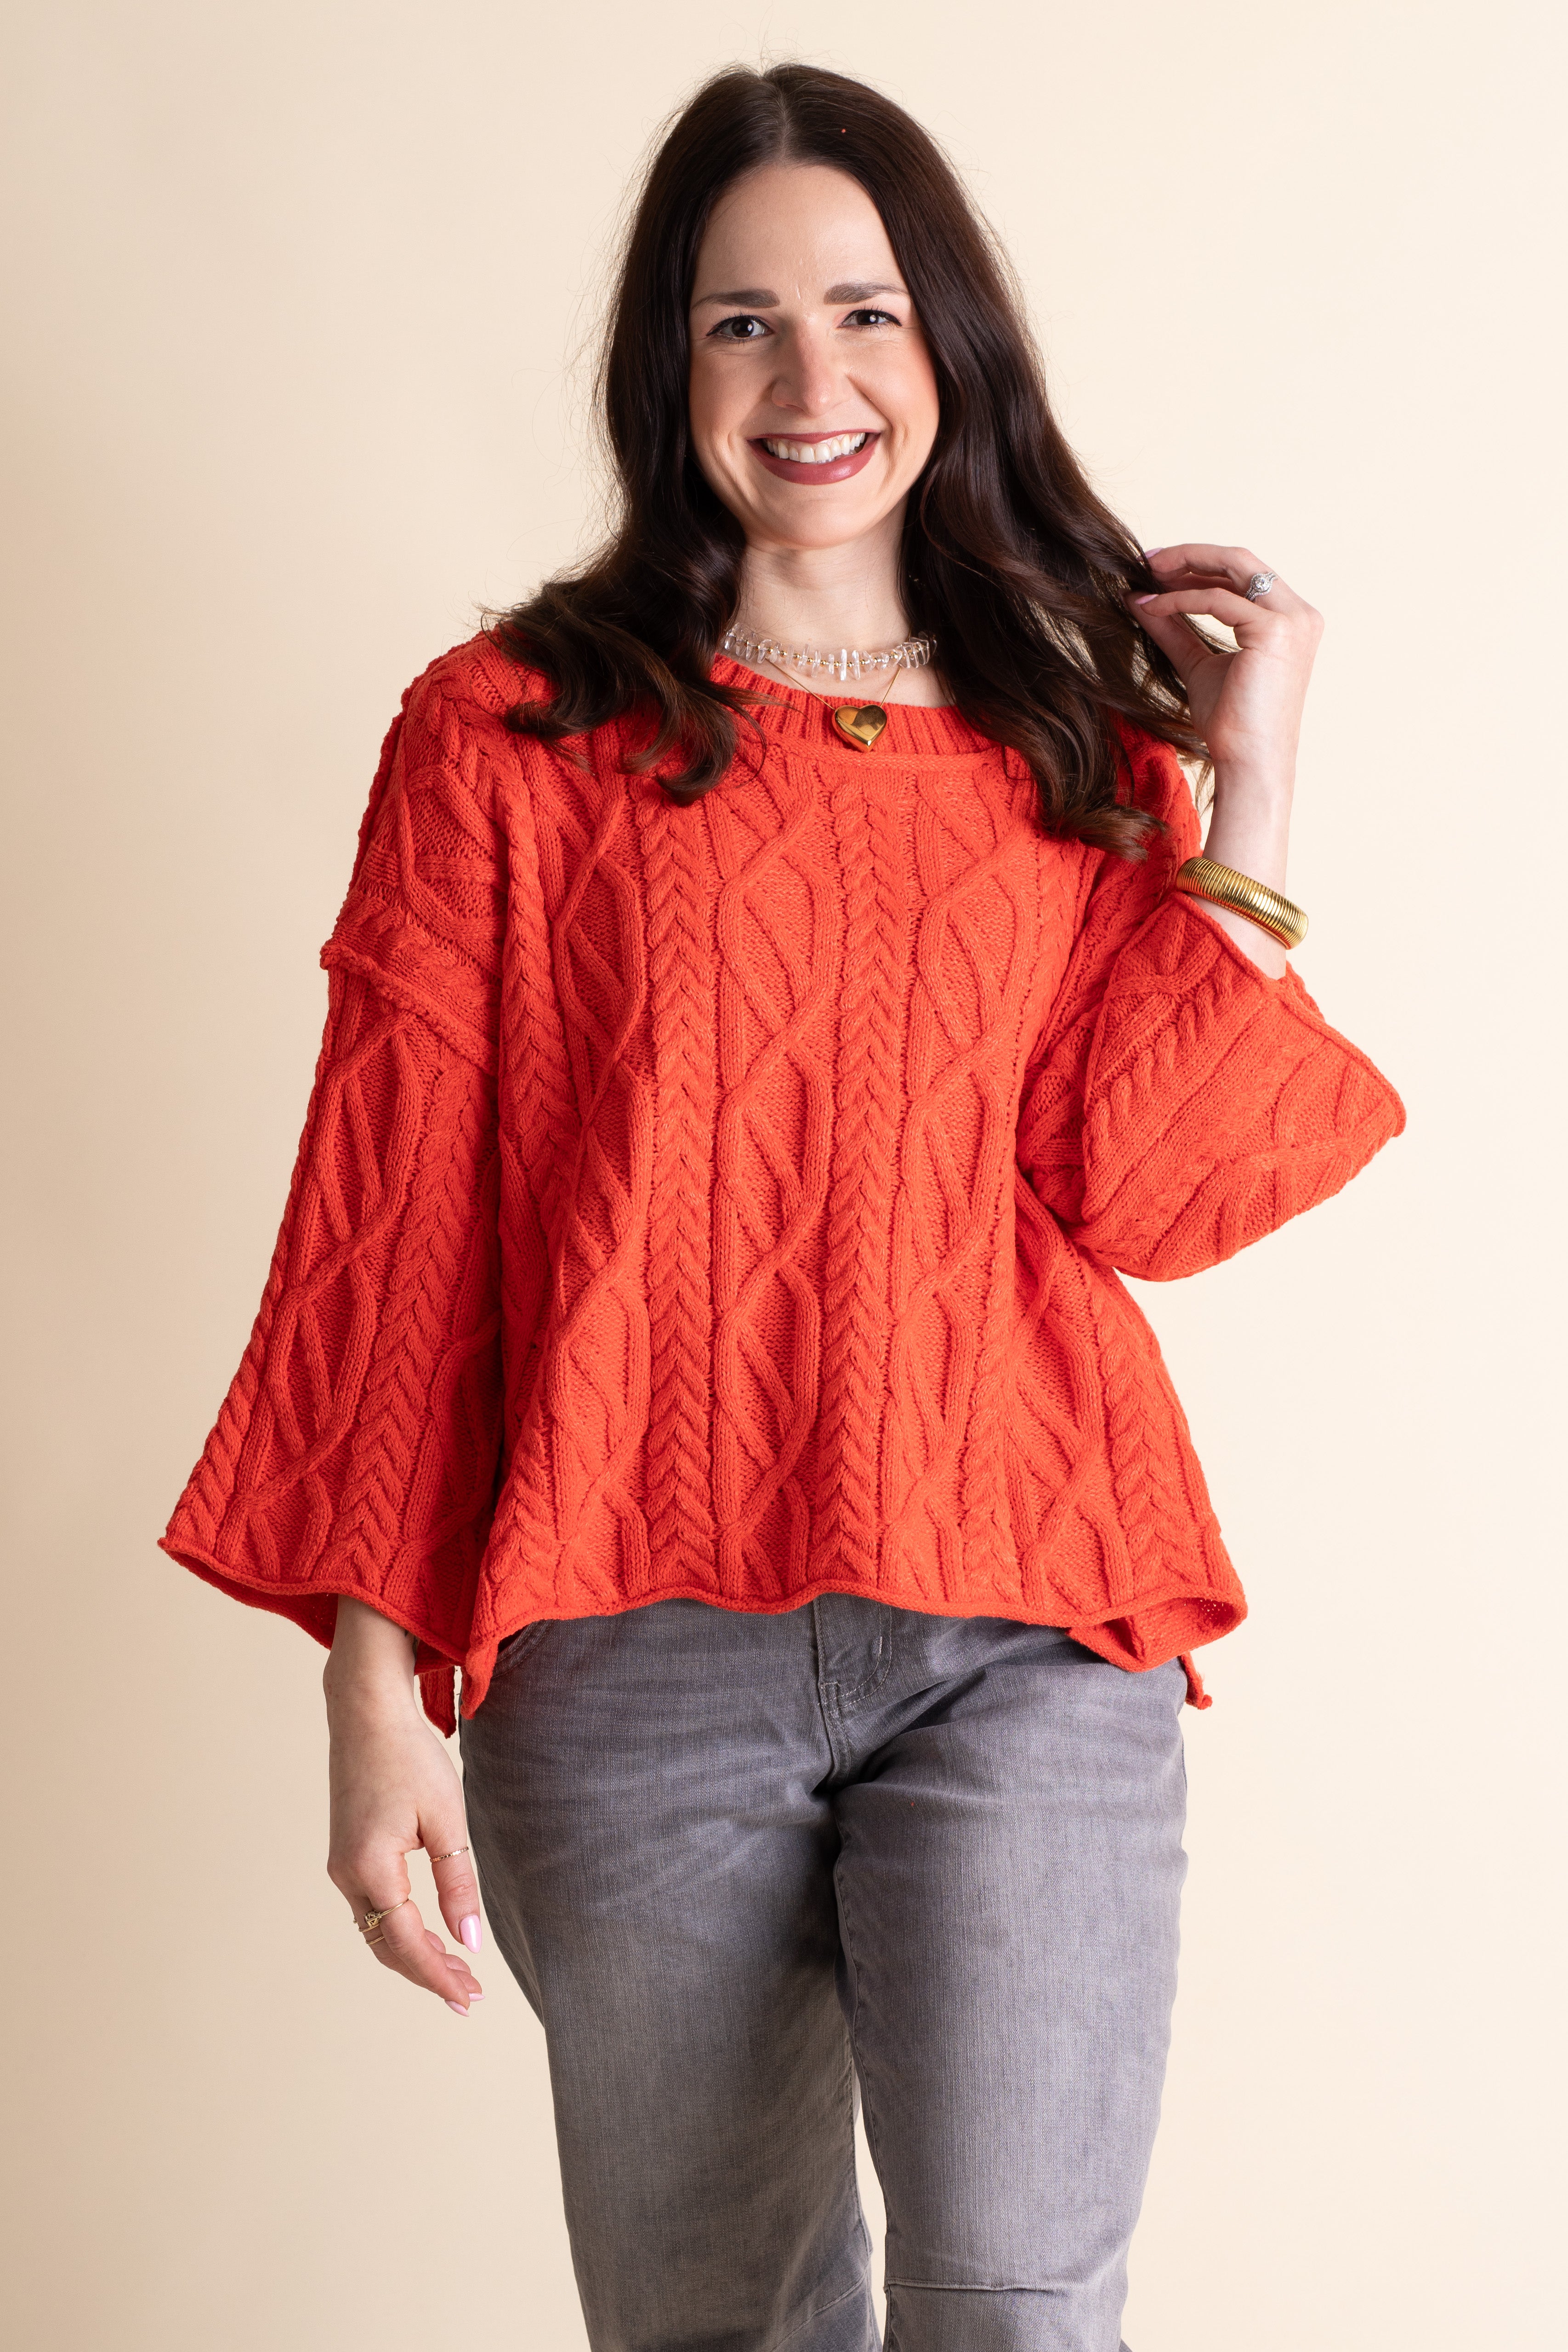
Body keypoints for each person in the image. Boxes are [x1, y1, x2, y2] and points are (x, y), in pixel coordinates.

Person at [161, 60, 1403, 2352]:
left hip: (1024, 1618)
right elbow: (395, 1227)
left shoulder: (1075, 737)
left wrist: (1247, 780)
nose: (809, 379)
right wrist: (372, 1695)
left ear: (949, 342)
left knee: (1018, 2305)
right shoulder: (506, 734)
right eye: (741, 322)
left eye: (863, 312)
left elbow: (1147, 1186)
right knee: (715, 2325)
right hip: (624, 1650)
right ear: (673, 364)